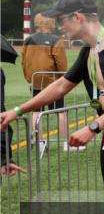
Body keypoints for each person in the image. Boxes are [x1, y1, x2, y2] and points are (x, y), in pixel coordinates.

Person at [0, 0, 104, 203]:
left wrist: (92, 127)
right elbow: (61, 86)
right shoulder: (88, 50)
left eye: (61, 20)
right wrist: (18, 111)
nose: (58, 27)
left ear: (77, 17)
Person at [21, 13, 70, 145]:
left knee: (36, 111)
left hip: (35, 80)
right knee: (60, 111)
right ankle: (67, 142)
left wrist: (29, 78)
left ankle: (39, 142)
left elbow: (23, 62)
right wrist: (62, 78)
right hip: (52, 82)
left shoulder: (28, 40)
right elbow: (62, 64)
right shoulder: (55, 40)